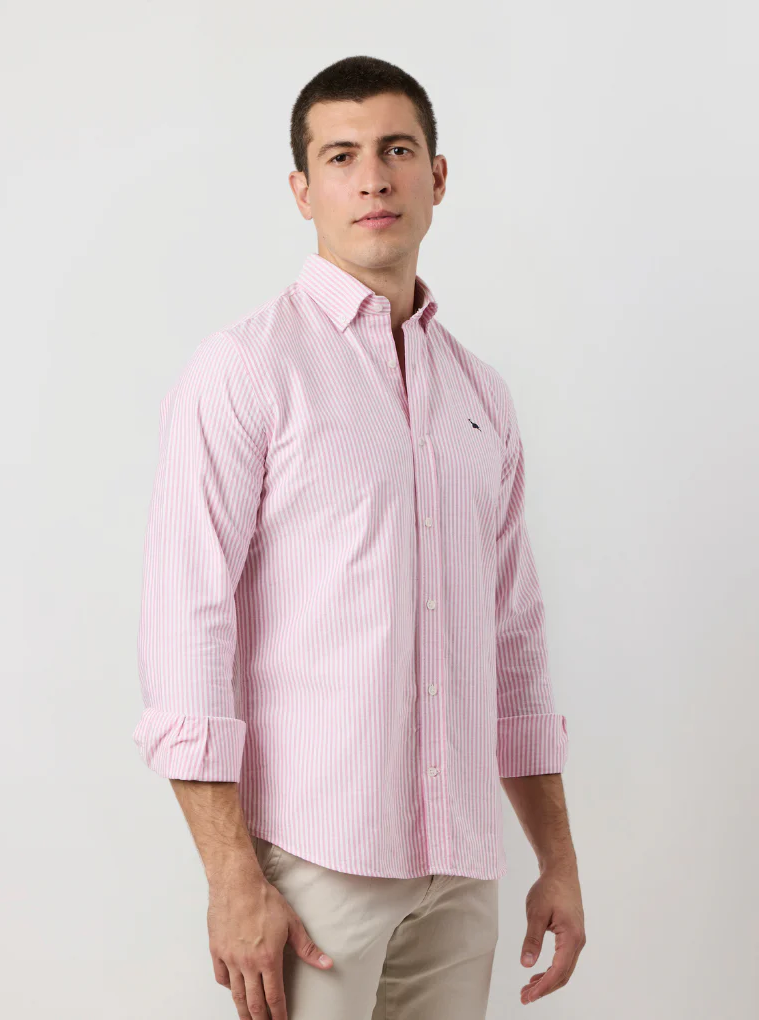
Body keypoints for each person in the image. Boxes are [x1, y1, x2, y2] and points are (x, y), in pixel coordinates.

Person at [132, 54, 585, 1020]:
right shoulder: (245, 371)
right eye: (341, 157)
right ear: (303, 191)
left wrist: (557, 858)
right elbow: (187, 631)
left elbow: (513, 638)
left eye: (396, 150)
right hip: (312, 865)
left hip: (460, 869)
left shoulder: (481, 394)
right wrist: (231, 877)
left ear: (438, 176)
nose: (373, 178)